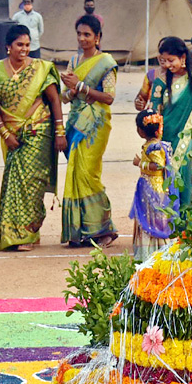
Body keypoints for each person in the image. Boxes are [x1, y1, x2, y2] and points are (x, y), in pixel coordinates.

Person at [0, 25, 65, 251]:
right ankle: (12, 234)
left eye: (28, 45)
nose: (24, 49)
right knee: (14, 183)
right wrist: (5, 133)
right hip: (11, 133)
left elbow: (54, 100)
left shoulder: (41, 68)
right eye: (19, 45)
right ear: (8, 46)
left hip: (39, 130)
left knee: (33, 182)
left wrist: (60, 131)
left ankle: (28, 233)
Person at [62, 14, 118, 247]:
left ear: (97, 37)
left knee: (88, 173)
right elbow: (66, 98)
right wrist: (72, 91)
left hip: (95, 125)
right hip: (76, 122)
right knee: (75, 173)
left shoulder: (106, 62)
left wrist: (80, 86)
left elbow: (109, 97)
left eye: (87, 35)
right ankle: (81, 230)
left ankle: (104, 229)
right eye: (79, 34)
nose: (82, 39)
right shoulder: (74, 62)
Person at [148, 36, 192, 203]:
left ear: (182, 58)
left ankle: (185, 224)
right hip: (166, 137)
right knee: (167, 181)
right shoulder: (160, 81)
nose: (167, 65)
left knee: (186, 177)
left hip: (188, 136)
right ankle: (171, 224)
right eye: (163, 60)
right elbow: (155, 111)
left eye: (171, 60)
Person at [130, 109, 175, 259]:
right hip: (152, 187)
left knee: (151, 219)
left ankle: (152, 253)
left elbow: (159, 166)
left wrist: (140, 164)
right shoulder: (154, 144)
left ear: (140, 131)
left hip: (153, 189)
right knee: (153, 219)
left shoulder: (153, 147)